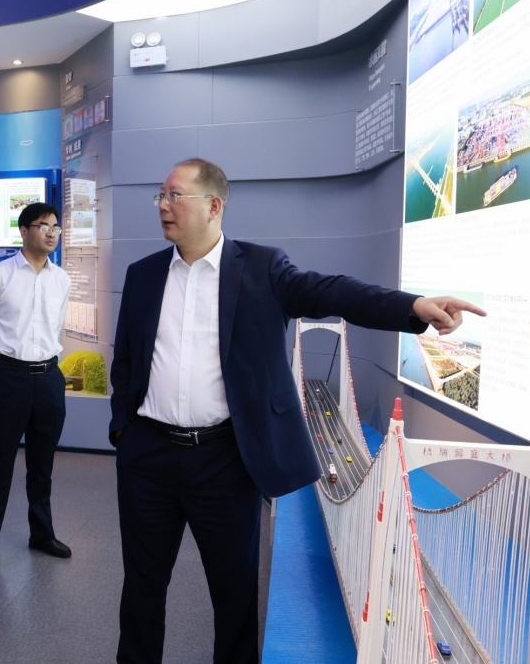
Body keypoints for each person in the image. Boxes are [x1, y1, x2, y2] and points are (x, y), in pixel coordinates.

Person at [109, 158, 486, 664]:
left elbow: (334, 291)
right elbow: (127, 360)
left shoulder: (262, 269)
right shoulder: (144, 275)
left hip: (225, 460)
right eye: (160, 195)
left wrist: (411, 307)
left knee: (234, 596)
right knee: (141, 589)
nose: (163, 205)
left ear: (214, 206)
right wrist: (124, 432)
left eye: (175, 195)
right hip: (149, 458)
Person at [0, 202, 72, 571]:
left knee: (42, 464)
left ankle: (41, 534)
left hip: (49, 379)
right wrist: (13, 358)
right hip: (10, 378)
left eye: (55, 226)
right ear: (24, 231)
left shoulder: (61, 279)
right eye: (44, 225)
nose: (51, 233)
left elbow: (55, 327)